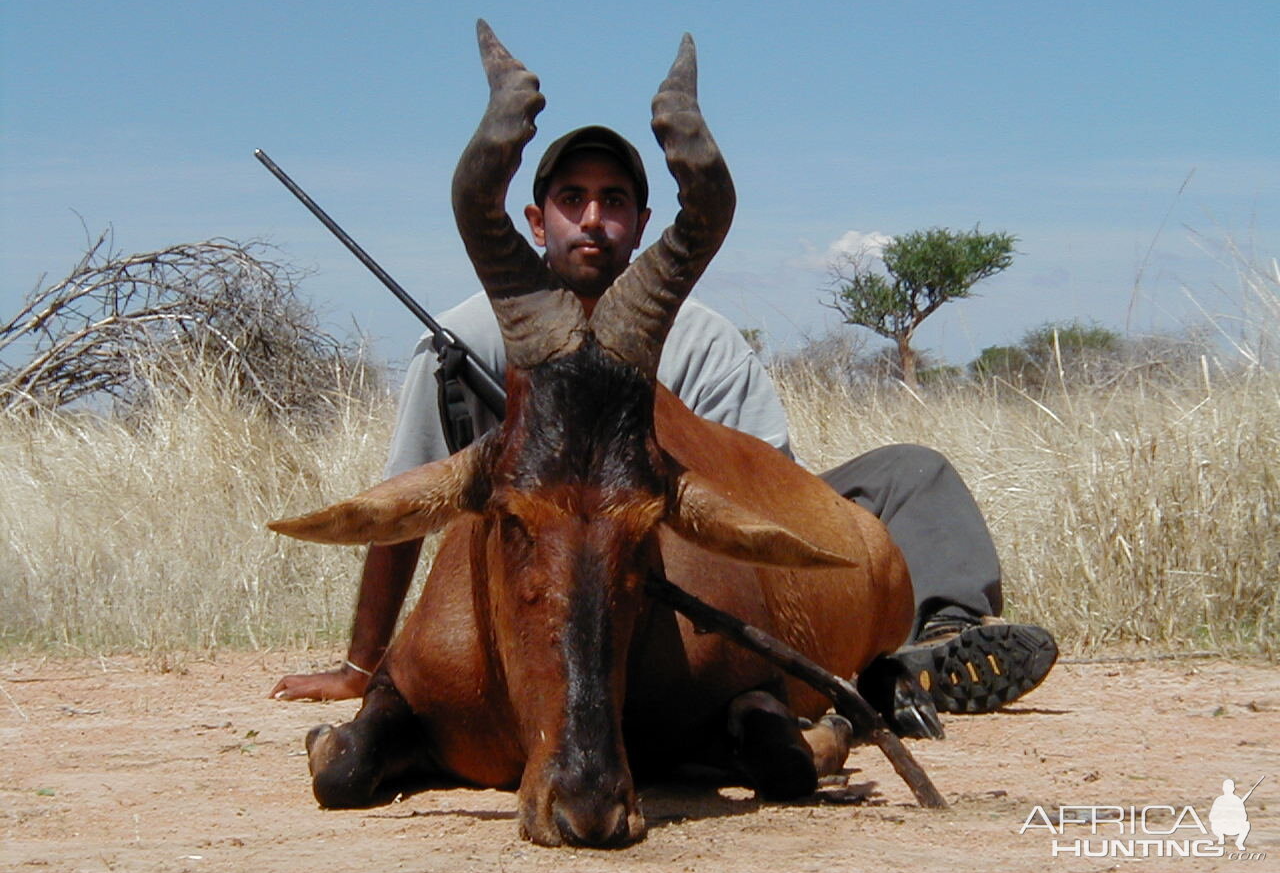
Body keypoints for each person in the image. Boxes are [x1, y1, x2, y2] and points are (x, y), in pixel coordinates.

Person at [269, 126, 1058, 724]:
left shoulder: (702, 338)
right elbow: (400, 504)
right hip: (544, 584)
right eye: (571, 200)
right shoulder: (461, 342)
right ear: (535, 221)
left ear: (642, 223)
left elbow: (763, 483)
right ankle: (872, 673)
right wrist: (361, 664)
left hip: (708, 547)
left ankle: (939, 639)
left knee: (913, 471)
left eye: (613, 202)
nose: (592, 219)